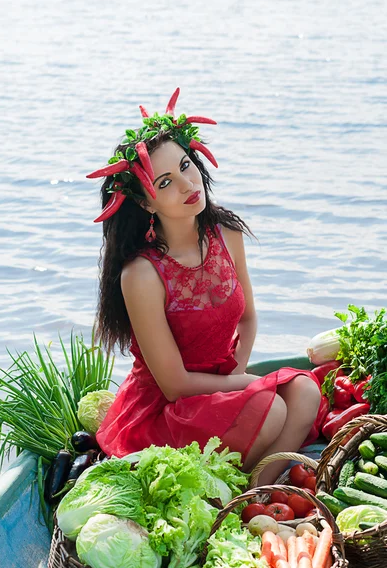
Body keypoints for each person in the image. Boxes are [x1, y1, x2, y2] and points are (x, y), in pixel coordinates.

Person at [89, 88, 321, 484]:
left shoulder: (226, 232)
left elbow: (247, 317)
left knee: (306, 393)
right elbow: (175, 384)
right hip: (167, 409)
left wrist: (239, 373)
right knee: (273, 409)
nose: (186, 184)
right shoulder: (141, 274)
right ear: (145, 203)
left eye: (186, 165)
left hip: (224, 382)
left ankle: (254, 490)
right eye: (165, 182)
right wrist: (246, 385)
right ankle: (230, 488)